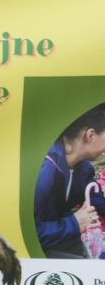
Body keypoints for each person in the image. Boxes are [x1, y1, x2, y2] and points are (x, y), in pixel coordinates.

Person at [34, 104, 105, 258]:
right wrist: (75, 223)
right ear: (90, 135)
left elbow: (98, 202)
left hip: (60, 240)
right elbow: (28, 231)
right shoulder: (45, 171)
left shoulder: (83, 169)